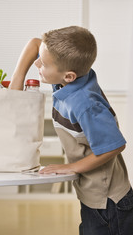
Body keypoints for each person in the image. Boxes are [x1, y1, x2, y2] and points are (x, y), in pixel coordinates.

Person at [9, 26, 133, 235]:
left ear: (68, 76)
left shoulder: (84, 103)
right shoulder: (68, 79)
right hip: (91, 194)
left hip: (108, 201)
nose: (38, 64)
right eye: (40, 59)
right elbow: (34, 44)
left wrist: (72, 167)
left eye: (44, 64)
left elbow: (115, 145)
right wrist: (16, 83)